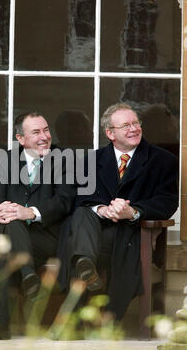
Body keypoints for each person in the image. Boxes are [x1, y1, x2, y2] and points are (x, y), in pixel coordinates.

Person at [62, 102, 179, 322]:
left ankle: (76, 317)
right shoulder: (90, 161)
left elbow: (167, 202)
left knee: (76, 246)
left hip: (133, 235)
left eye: (136, 123)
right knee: (82, 213)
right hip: (96, 233)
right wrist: (103, 209)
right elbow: (77, 198)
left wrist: (132, 211)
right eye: (125, 125)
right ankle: (85, 265)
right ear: (110, 133)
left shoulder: (163, 161)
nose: (133, 128)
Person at [0, 111, 77, 340]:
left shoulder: (65, 159)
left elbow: (64, 202)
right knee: (10, 225)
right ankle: (27, 274)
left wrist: (29, 212)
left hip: (48, 237)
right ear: (20, 139)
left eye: (46, 130)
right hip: (16, 236)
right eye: (36, 132)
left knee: (7, 242)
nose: (44, 137)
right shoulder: (6, 161)